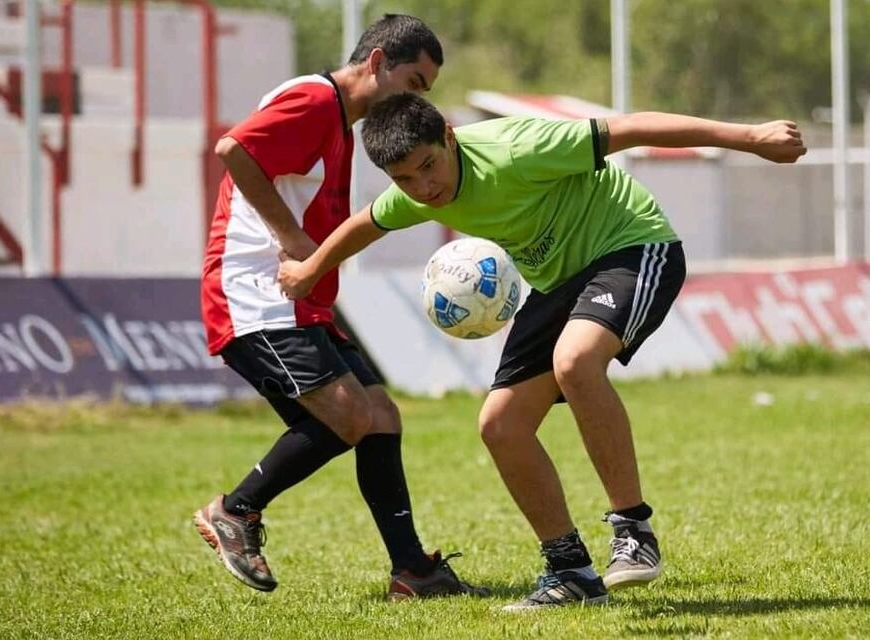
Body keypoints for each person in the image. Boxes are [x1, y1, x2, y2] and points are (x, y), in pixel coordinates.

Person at [277, 92, 807, 609]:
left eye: (428, 166)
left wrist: (752, 137)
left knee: (575, 361)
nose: (424, 187)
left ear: (449, 136)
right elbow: (366, 224)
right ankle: (569, 570)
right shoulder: (415, 193)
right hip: (558, 284)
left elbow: (632, 128)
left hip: (630, 246)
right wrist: (308, 270)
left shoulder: (519, 148)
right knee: (500, 424)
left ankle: (632, 530)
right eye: (405, 179)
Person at [195, 16, 486, 600]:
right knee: (349, 417)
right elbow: (235, 150)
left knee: (379, 414)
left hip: (299, 303)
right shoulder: (312, 99)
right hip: (256, 297)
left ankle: (411, 570)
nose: (415, 99)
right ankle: (235, 510)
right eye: (414, 82)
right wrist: (293, 240)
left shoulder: (342, 122)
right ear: (377, 62)